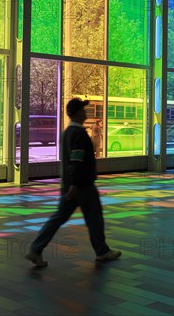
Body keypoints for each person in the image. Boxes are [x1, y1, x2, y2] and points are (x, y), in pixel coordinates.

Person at [25, 98, 121, 267]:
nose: (85, 112)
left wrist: (69, 186)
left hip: (70, 185)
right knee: (95, 218)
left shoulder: (67, 132)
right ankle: (102, 251)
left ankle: (36, 249)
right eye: (83, 109)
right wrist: (75, 186)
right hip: (82, 187)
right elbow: (77, 161)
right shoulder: (78, 134)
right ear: (77, 112)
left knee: (58, 218)